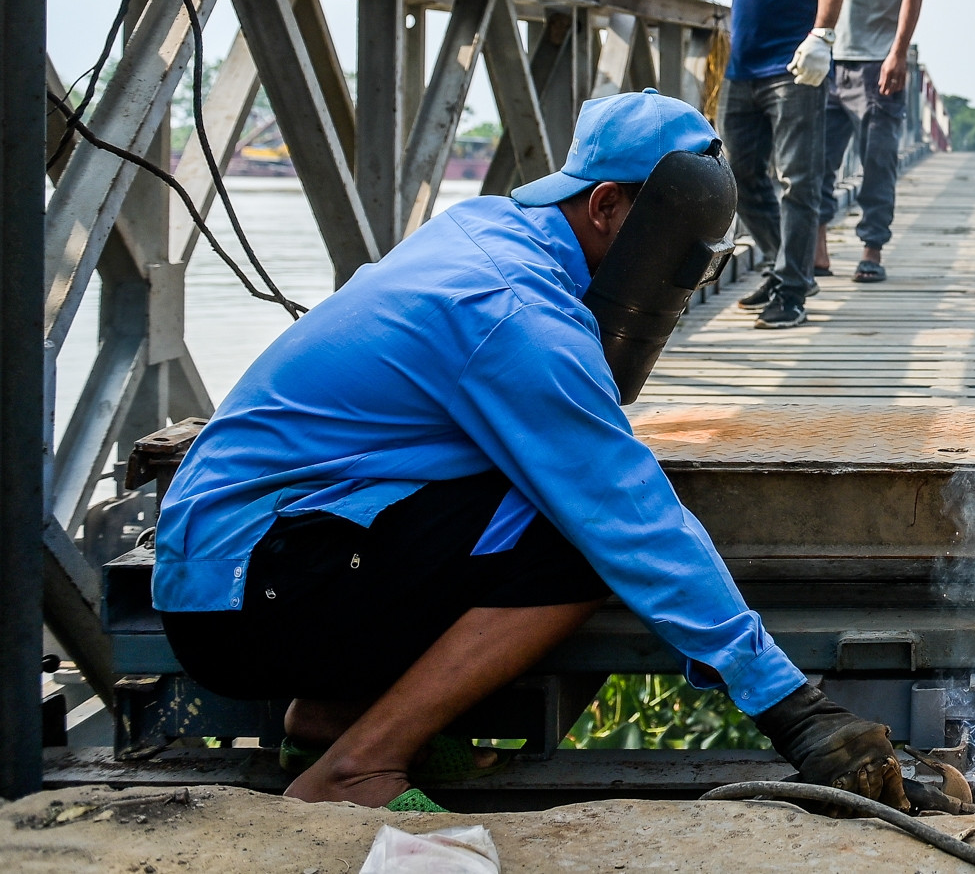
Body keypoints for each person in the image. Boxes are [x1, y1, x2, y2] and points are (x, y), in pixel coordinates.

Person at [153, 92, 905, 813]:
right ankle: (357, 768)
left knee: (544, 499)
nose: (683, 274)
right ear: (606, 206)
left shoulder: (488, 229)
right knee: (575, 541)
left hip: (249, 557)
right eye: (678, 248)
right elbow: (626, 514)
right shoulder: (512, 310)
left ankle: (327, 722)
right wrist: (792, 708)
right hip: (247, 592)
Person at [635, 0, 849, 329]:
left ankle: (794, 289)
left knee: (797, 178)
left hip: (796, 63)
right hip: (743, 62)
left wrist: (822, 35)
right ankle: (783, 265)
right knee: (740, 176)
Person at [812, 0, 931, 283]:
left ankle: (872, 250)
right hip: (828, 60)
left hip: (876, 62)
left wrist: (898, 53)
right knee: (814, 160)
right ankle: (818, 251)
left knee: (877, 160)